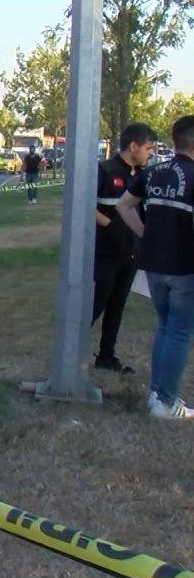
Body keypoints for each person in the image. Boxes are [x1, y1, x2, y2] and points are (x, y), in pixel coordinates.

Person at [116, 115, 194, 420]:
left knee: (165, 326)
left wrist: (145, 234)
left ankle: (156, 393)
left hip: (154, 265)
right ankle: (165, 402)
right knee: (179, 332)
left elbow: (123, 205)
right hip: (184, 267)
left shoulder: (153, 172)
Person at [92, 124, 157, 373]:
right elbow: (85, 202)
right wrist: (108, 223)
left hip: (131, 253)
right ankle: (71, 357)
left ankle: (106, 356)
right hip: (106, 253)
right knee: (96, 305)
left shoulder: (143, 175)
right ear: (134, 146)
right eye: (148, 148)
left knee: (117, 305)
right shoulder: (106, 170)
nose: (151, 153)